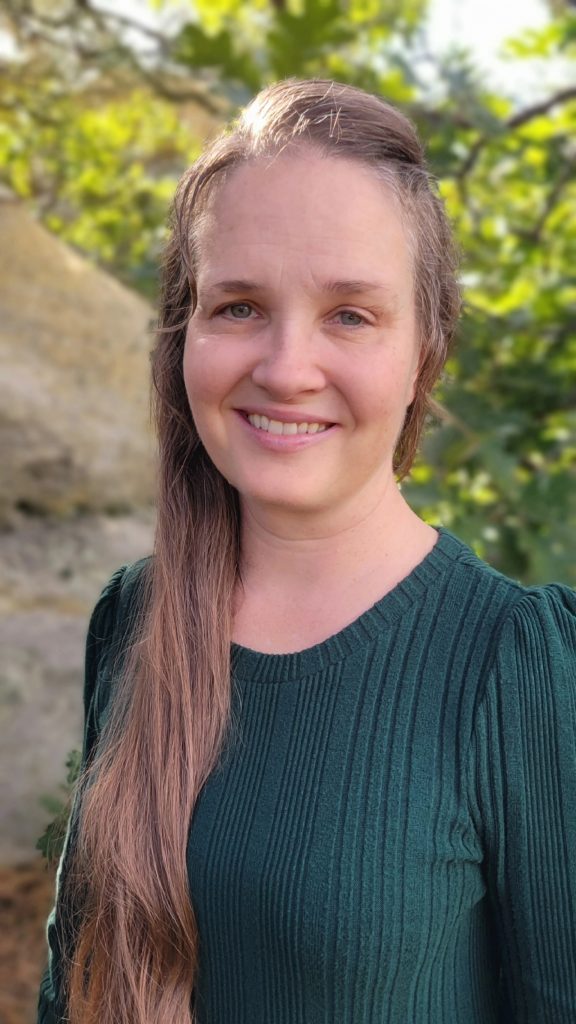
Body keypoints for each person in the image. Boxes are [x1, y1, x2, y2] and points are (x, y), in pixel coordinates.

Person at [38, 78, 576, 1024]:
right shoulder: (134, 616)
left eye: (351, 315)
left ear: (425, 349)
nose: (286, 368)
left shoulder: (518, 664)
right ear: (183, 337)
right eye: (239, 305)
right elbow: (68, 987)